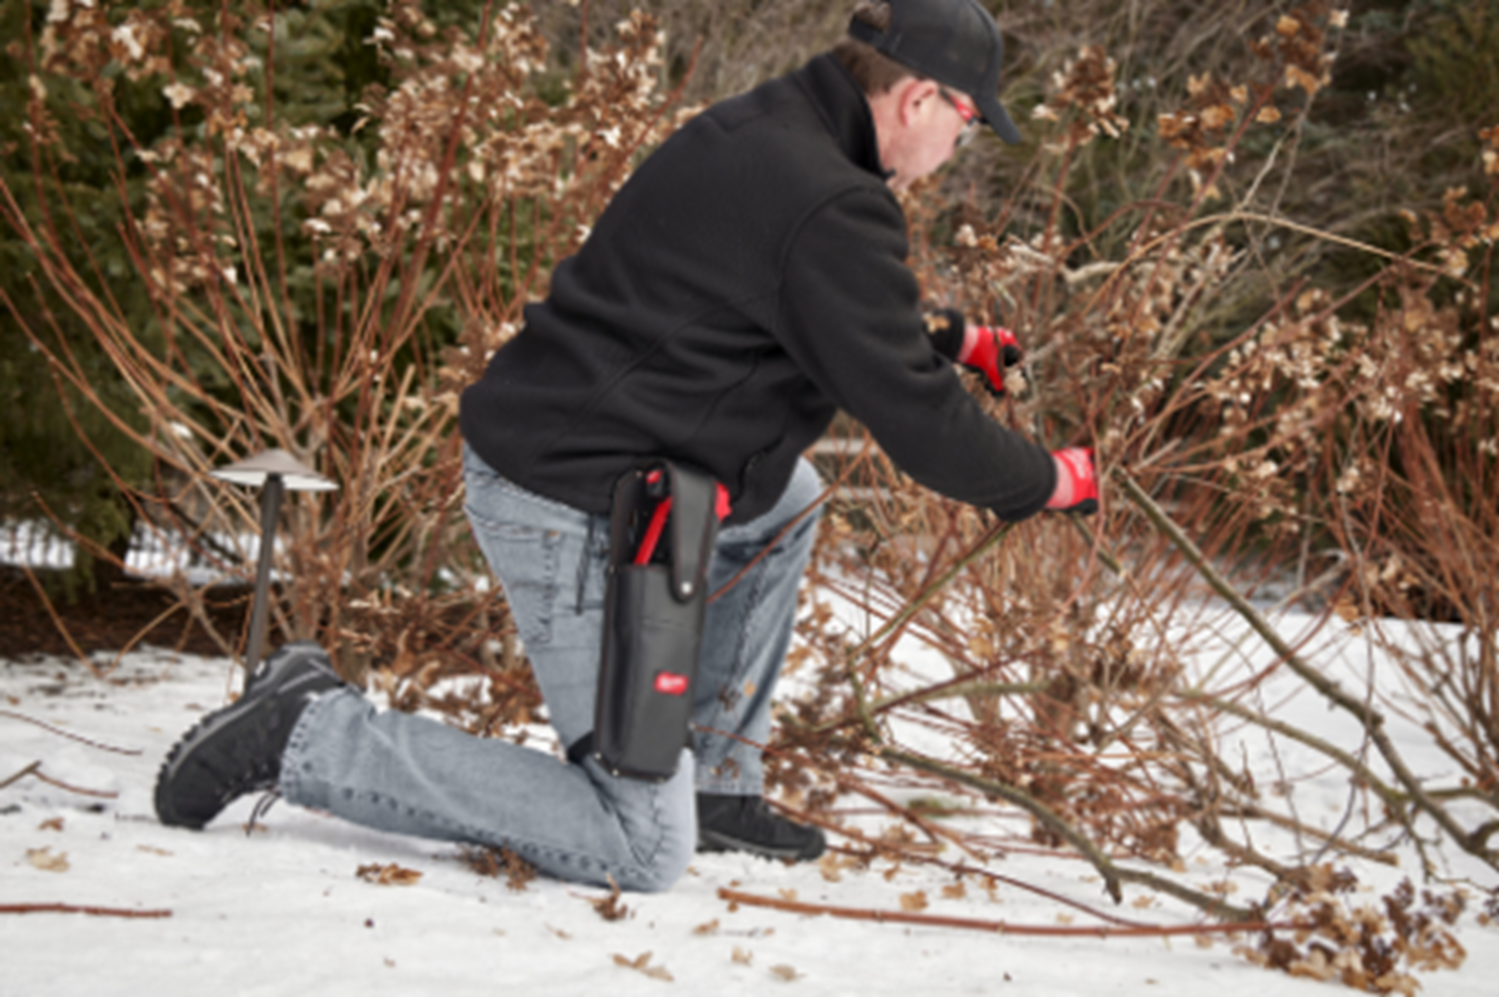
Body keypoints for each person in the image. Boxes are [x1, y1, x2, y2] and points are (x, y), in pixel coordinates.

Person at [153, 0, 1098, 893]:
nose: (958, 145)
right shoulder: (831, 200)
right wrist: (1046, 480)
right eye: (968, 124)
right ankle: (307, 733)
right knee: (640, 844)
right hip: (570, 500)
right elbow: (922, 425)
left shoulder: (772, 127)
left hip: (605, 447)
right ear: (917, 97)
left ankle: (719, 781)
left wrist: (945, 339)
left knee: (791, 496)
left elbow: (778, 302)